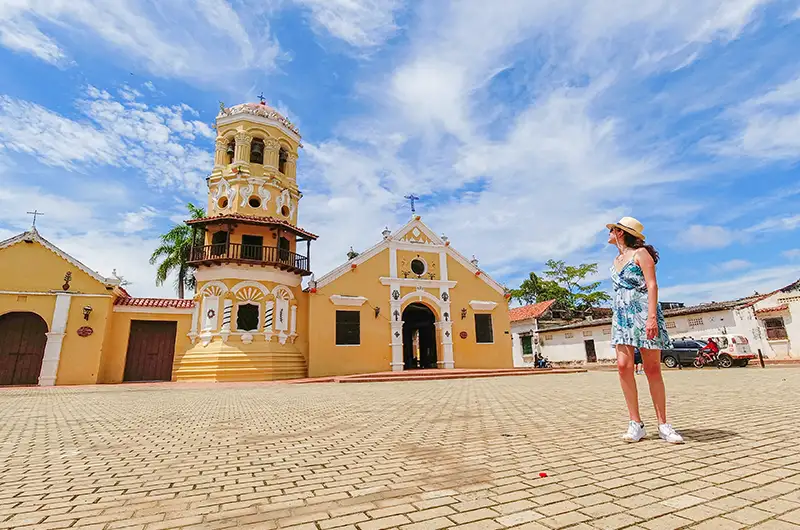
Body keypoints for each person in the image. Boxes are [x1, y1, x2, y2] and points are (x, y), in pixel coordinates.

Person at [607, 217, 683, 444]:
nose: (609, 233)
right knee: (623, 367)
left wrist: (652, 318)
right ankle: (635, 423)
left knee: (652, 369)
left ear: (621, 233)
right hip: (621, 316)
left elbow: (652, 284)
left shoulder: (641, 254)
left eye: (612, 230)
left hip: (643, 313)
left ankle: (663, 424)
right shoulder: (616, 259)